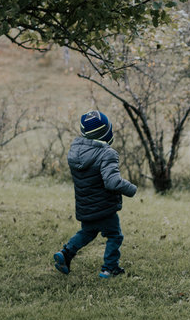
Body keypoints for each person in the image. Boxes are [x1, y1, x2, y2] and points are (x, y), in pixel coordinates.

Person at [53, 110, 137, 278]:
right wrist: (130, 188)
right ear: (106, 133)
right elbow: (112, 181)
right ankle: (109, 268)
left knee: (87, 232)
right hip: (104, 206)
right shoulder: (107, 153)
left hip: (86, 206)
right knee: (114, 235)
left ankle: (66, 253)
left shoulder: (75, 152)